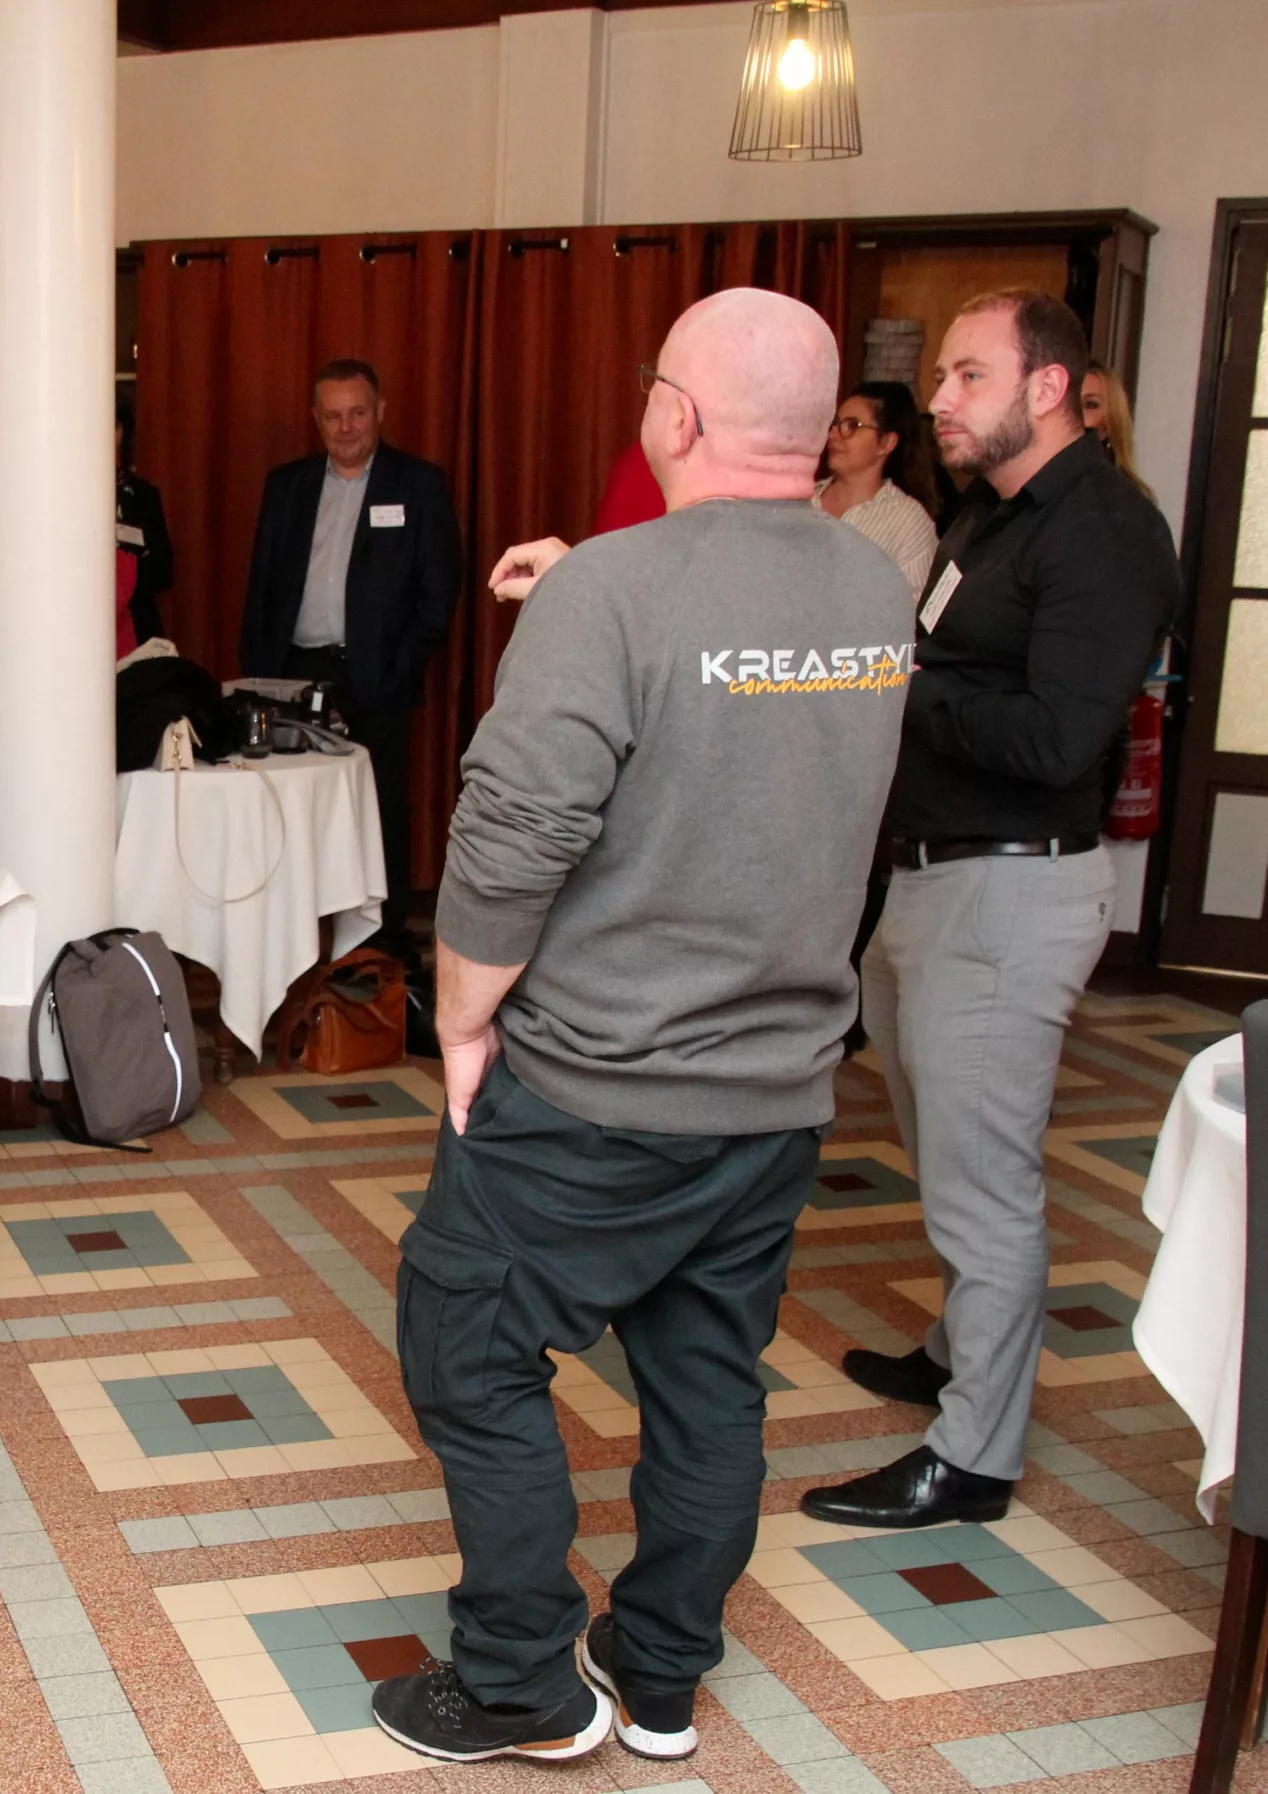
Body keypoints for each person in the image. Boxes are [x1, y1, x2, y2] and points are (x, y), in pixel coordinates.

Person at [372, 290, 911, 1765]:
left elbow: (514, 835)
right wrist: (589, 591)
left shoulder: (612, 593)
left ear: (676, 412)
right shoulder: (875, 590)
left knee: (465, 1342)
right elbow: (743, 707)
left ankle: (518, 1684)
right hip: (778, 1089)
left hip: (597, 1088)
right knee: (706, 1379)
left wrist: (462, 1022)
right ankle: (660, 1674)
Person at [801, 290, 1179, 1531]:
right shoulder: (991, 515)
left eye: (968, 374)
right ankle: (960, 1351)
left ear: (1048, 387)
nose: (940, 400)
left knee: (987, 1184)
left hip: (1011, 887)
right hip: (933, 874)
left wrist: (899, 684)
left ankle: (971, 1459)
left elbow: (1058, 738)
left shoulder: (1105, 532)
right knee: (945, 1148)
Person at [236, 358, 459, 948]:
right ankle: (291, 942)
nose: (346, 427)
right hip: (294, 675)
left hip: (377, 676)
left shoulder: (418, 485)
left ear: (379, 411)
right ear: (316, 419)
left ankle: (381, 947)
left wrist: (402, 665)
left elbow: (439, 592)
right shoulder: (287, 485)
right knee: (287, 810)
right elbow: (262, 583)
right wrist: (260, 672)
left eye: (358, 413)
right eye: (333, 416)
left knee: (379, 808)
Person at [816, 380, 941, 592]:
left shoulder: (909, 523)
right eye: (835, 424)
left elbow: (916, 605)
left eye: (852, 426)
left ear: (886, 443)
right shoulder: (802, 500)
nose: (833, 435)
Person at [115, 391, 175, 643]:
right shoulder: (66, 496)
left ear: (120, 432)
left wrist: (128, 571)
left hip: (137, 626)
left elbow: (164, 572)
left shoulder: (144, 495)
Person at [1080, 361, 1154, 500]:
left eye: (1090, 404)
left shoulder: (1126, 497)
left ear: (1110, 423)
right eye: (1068, 403)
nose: (1074, 413)